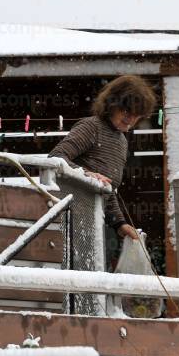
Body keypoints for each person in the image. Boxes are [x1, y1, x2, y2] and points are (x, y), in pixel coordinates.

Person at [49, 75, 156, 242]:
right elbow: (55, 158)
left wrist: (120, 224)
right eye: (127, 110)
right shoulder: (92, 127)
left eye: (136, 114)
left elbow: (108, 190)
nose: (130, 118)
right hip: (65, 221)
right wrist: (86, 174)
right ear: (112, 105)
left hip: (92, 225)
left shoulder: (122, 141)